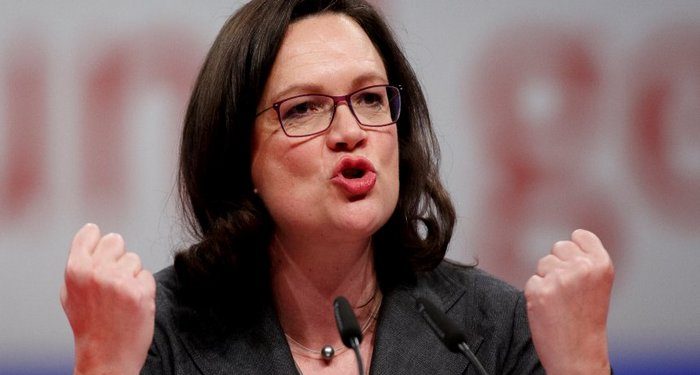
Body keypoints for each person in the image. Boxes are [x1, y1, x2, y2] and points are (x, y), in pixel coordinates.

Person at [60, 0, 615, 374]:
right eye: (304, 109)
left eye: (371, 98)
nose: (351, 132)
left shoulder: (489, 332)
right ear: (239, 154)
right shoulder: (165, 337)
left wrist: (585, 364)